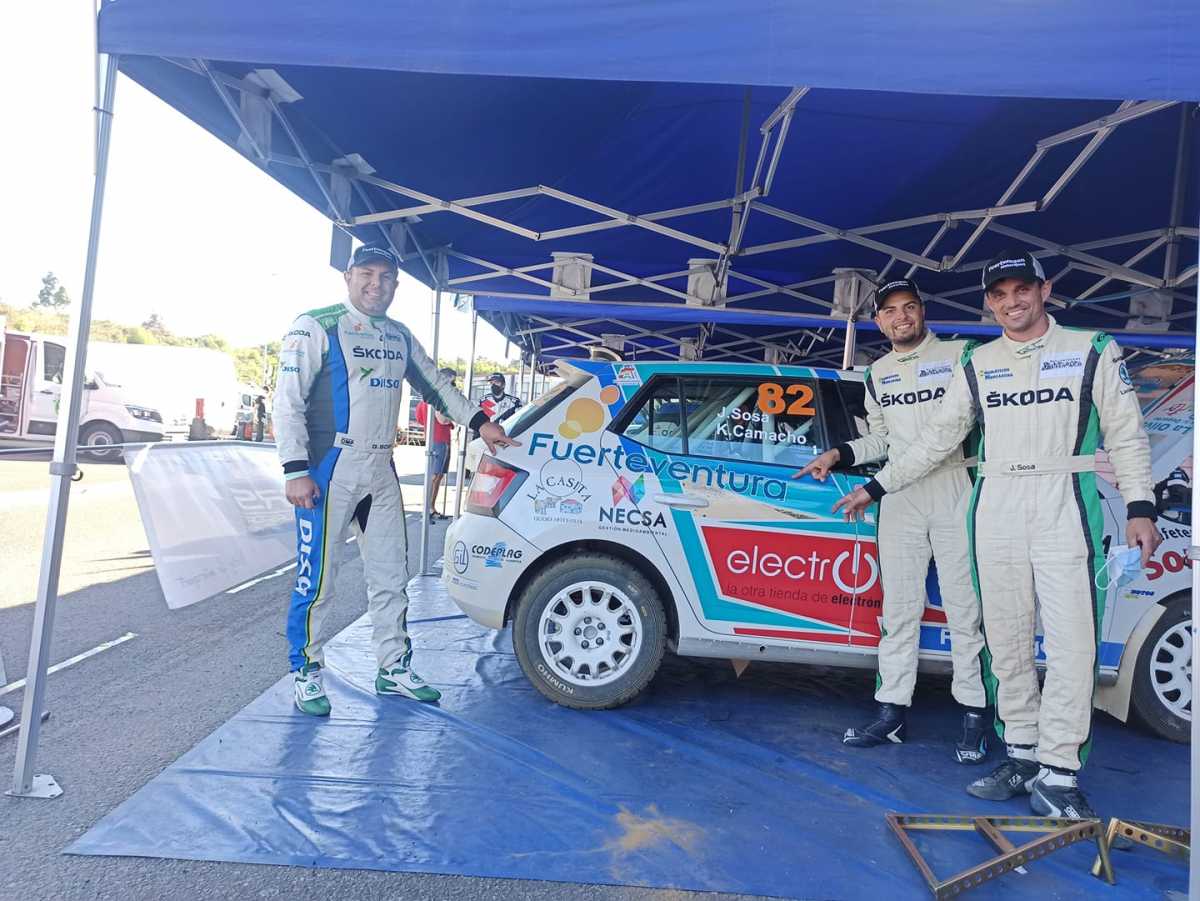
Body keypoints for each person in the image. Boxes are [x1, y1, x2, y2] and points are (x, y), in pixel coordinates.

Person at [833, 250, 1160, 819]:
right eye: (1000, 294)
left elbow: (1127, 434)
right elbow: (937, 439)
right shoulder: (979, 362)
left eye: (1022, 289)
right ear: (989, 303)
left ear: (1045, 290)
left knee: (1072, 645)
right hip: (995, 501)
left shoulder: (1092, 348)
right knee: (1006, 642)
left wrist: (1140, 506)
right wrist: (876, 487)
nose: (1013, 302)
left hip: (1064, 498)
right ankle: (1023, 754)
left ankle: (1060, 770)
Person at [274, 243, 518, 716]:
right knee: (318, 578)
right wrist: (295, 469)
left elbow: (436, 385)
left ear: (396, 285)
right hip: (330, 469)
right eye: (367, 273)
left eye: (385, 277)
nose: (376, 284)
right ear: (348, 277)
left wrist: (481, 423)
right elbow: (287, 400)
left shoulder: (399, 335)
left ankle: (393, 666)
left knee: (391, 576)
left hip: (381, 467)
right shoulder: (316, 325)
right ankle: (306, 671)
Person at [796, 278, 990, 763]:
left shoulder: (960, 355)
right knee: (899, 610)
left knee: (965, 611)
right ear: (879, 322)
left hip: (954, 486)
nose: (901, 317)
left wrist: (874, 486)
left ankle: (975, 714)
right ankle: (891, 712)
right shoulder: (878, 373)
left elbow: (953, 434)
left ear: (922, 311)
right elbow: (883, 440)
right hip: (899, 495)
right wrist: (838, 453)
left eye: (909, 307)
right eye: (890, 311)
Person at [415, 367, 456, 522]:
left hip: (432, 439)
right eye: (452, 381)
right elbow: (442, 419)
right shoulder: (439, 398)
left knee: (435, 475)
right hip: (440, 439)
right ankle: (429, 508)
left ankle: (430, 507)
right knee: (436, 476)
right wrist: (452, 418)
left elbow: (420, 418)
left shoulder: (425, 398)